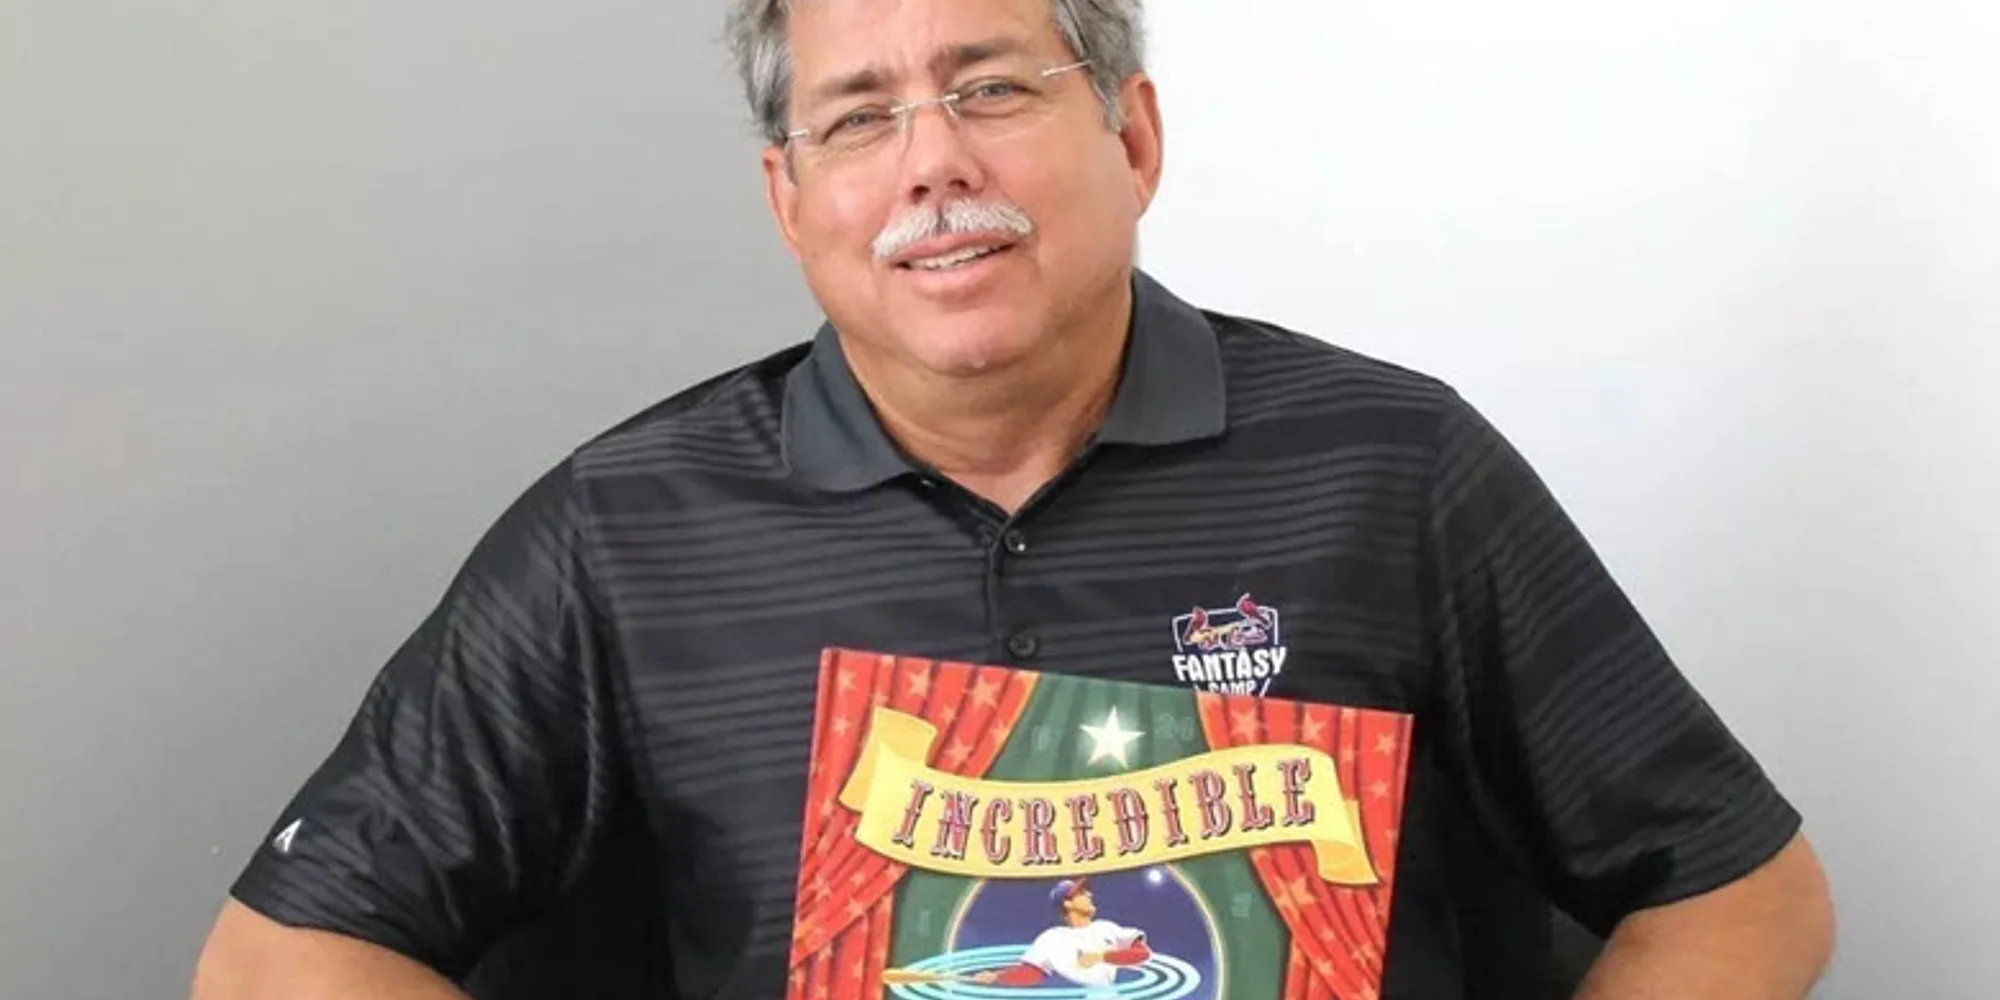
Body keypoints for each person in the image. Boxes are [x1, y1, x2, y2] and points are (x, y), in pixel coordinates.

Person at [188, 1, 1837, 998]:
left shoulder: (1392, 470)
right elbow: (281, 957)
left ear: (1133, 137)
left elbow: (1745, 890)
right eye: (859, 117)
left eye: (990, 87)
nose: (932, 164)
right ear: (790, 202)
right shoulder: (623, 534)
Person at [973, 879, 1152, 987]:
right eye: (1082, 893)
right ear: (1067, 903)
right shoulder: (1052, 938)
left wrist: (1101, 957)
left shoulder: (1106, 928)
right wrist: (997, 976)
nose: (1089, 895)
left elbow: (1142, 954)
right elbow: (1030, 974)